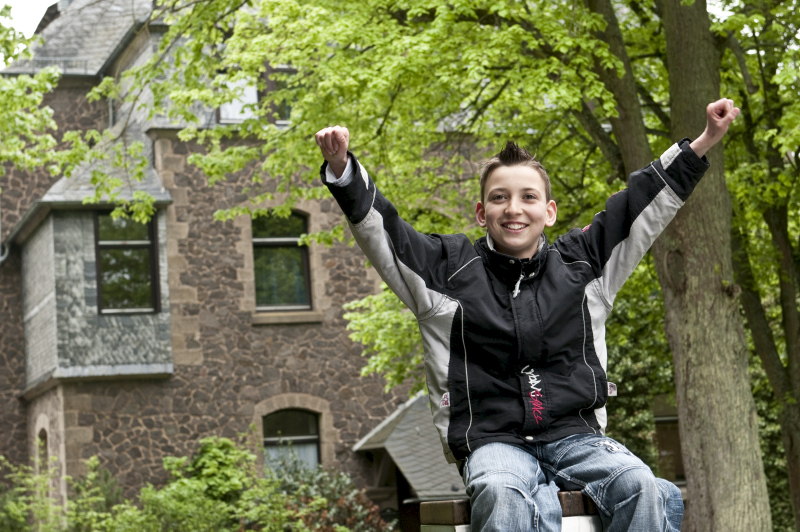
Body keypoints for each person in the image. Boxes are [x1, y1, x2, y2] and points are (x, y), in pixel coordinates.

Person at [315, 98, 739, 532]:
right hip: (492, 442)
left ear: (548, 212)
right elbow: (386, 234)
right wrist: (344, 170)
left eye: (528, 197)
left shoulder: (585, 266)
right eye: (499, 198)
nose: (513, 208)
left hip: (577, 437)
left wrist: (705, 140)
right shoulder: (446, 272)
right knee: (502, 493)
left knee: (644, 487)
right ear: (482, 213)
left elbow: (639, 205)